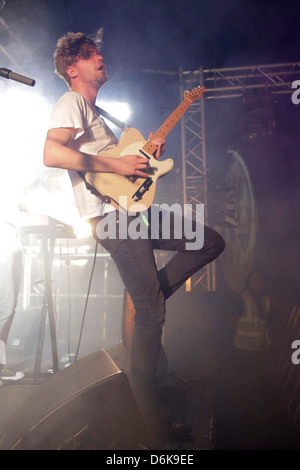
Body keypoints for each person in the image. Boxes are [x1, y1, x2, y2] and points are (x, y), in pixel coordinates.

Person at [43, 31, 225, 446]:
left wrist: (143, 158)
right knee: (151, 315)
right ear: (74, 68)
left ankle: (148, 299)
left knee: (209, 241)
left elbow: (122, 166)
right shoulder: (71, 101)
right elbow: (52, 154)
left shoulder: (95, 111)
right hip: (112, 218)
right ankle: (149, 422)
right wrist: (117, 162)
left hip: (132, 212)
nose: (101, 57)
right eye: (92, 55)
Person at [0, 219, 24, 386]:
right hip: (3, 252)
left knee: (9, 310)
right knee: (5, 310)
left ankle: (0, 367)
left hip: (11, 248)